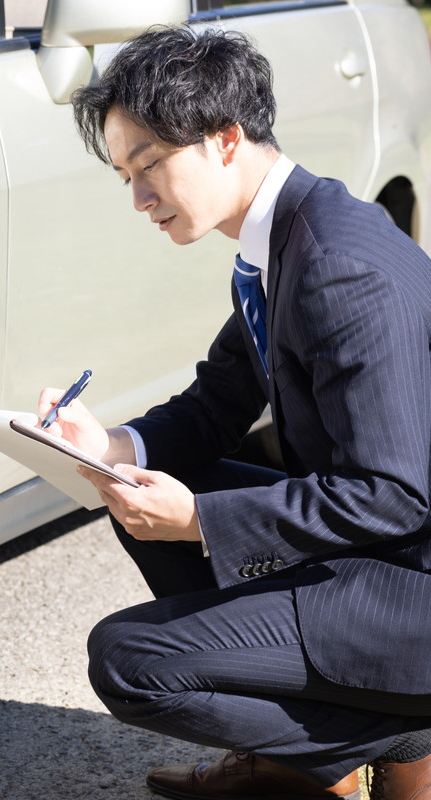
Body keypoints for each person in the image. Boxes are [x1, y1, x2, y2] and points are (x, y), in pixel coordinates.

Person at [43, 25, 431, 800]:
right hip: (379, 561)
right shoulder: (280, 238)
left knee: (128, 661)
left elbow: (395, 493)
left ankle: (395, 737)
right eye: (126, 174)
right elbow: (215, 405)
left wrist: (198, 521)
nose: (138, 198)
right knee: (146, 477)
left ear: (226, 139)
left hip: (409, 594)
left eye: (150, 165)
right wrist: (111, 445)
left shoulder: (335, 266)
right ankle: (319, 752)